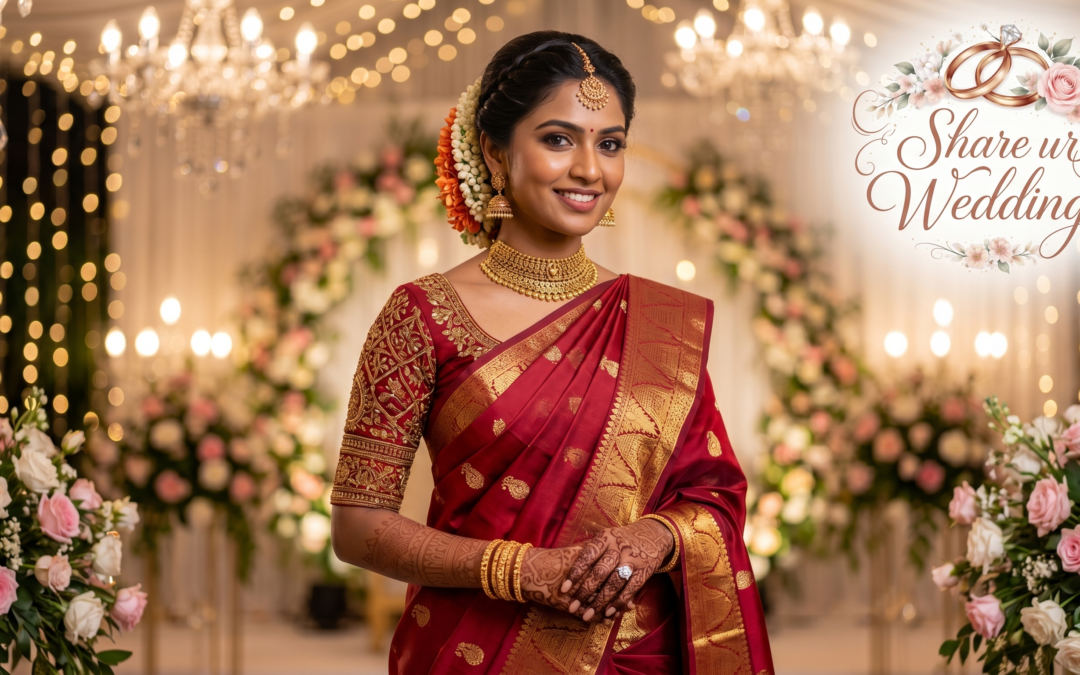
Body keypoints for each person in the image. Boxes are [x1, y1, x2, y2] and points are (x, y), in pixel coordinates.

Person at [330, 30, 773, 674]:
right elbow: (357, 526)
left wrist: (655, 536)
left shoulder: (660, 323)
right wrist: (520, 569)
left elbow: (713, 494)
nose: (591, 169)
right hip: (477, 650)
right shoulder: (420, 316)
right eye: (559, 139)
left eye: (610, 144)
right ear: (495, 151)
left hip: (638, 654)